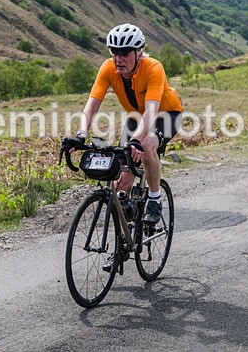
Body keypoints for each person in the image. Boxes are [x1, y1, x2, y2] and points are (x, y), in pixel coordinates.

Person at [75, 23, 183, 227]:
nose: (119, 59)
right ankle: (122, 243)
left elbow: (151, 113)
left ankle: (154, 198)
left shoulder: (153, 68)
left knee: (149, 144)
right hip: (137, 117)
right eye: (115, 52)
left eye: (125, 53)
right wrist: (80, 135)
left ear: (139, 52)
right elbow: (91, 106)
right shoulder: (108, 68)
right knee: (122, 182)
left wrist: (135, 141)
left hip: (166, 113)